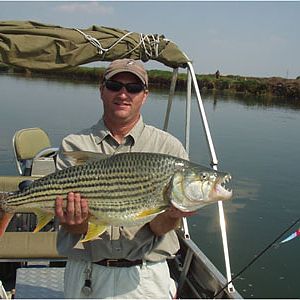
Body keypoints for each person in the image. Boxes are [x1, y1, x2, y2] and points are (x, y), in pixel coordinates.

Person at [55, 58, 195, 299]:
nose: (123, 94)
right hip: (87, 274)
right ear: (102, 90)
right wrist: (74, 220)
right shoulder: (74, 144)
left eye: (133, 88)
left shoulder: (168, 148)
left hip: (146, 277)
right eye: (114, 86)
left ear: (145, 95)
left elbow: (158, 228)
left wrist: (172, 215)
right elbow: (73, 227)